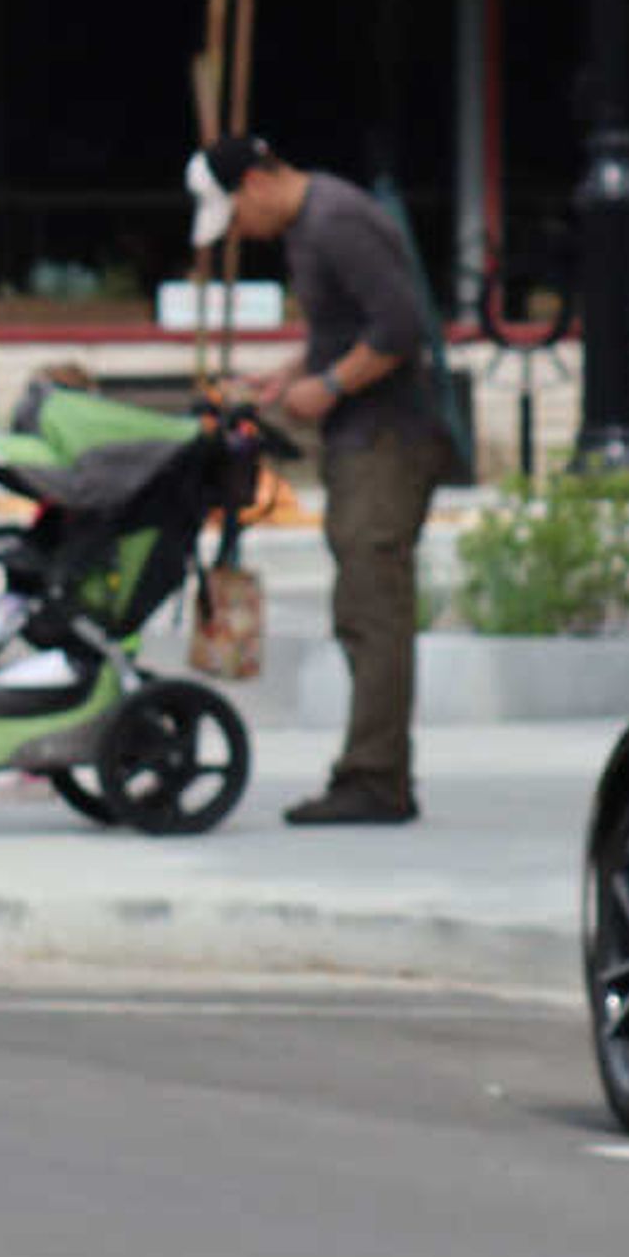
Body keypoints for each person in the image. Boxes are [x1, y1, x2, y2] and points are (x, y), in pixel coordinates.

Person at [186, 131, 458, 824]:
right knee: (361, 606)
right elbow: (346, 327)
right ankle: (375, 772)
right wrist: (288, 376)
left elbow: (400, 327)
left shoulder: (337, 220)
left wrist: (329, 387)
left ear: (253, 184)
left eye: (236, 218)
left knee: (372, 605)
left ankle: (374, 778)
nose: (240, 233)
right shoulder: (312, 226)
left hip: (388, 439)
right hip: (363, 440)